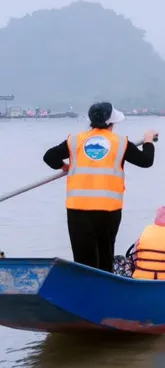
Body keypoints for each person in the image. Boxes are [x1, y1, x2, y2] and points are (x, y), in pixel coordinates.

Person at [41, 102, 156, 273]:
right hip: (108, 210)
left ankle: (83, 294)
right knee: (104, 257)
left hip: (78, 209)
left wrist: (64, 166)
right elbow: (146, 161)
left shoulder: (75, 141)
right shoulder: (120, 143)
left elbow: (49, 157)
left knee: (83, 260)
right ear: (111, 123)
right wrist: (148, 141)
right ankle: (103, 293)